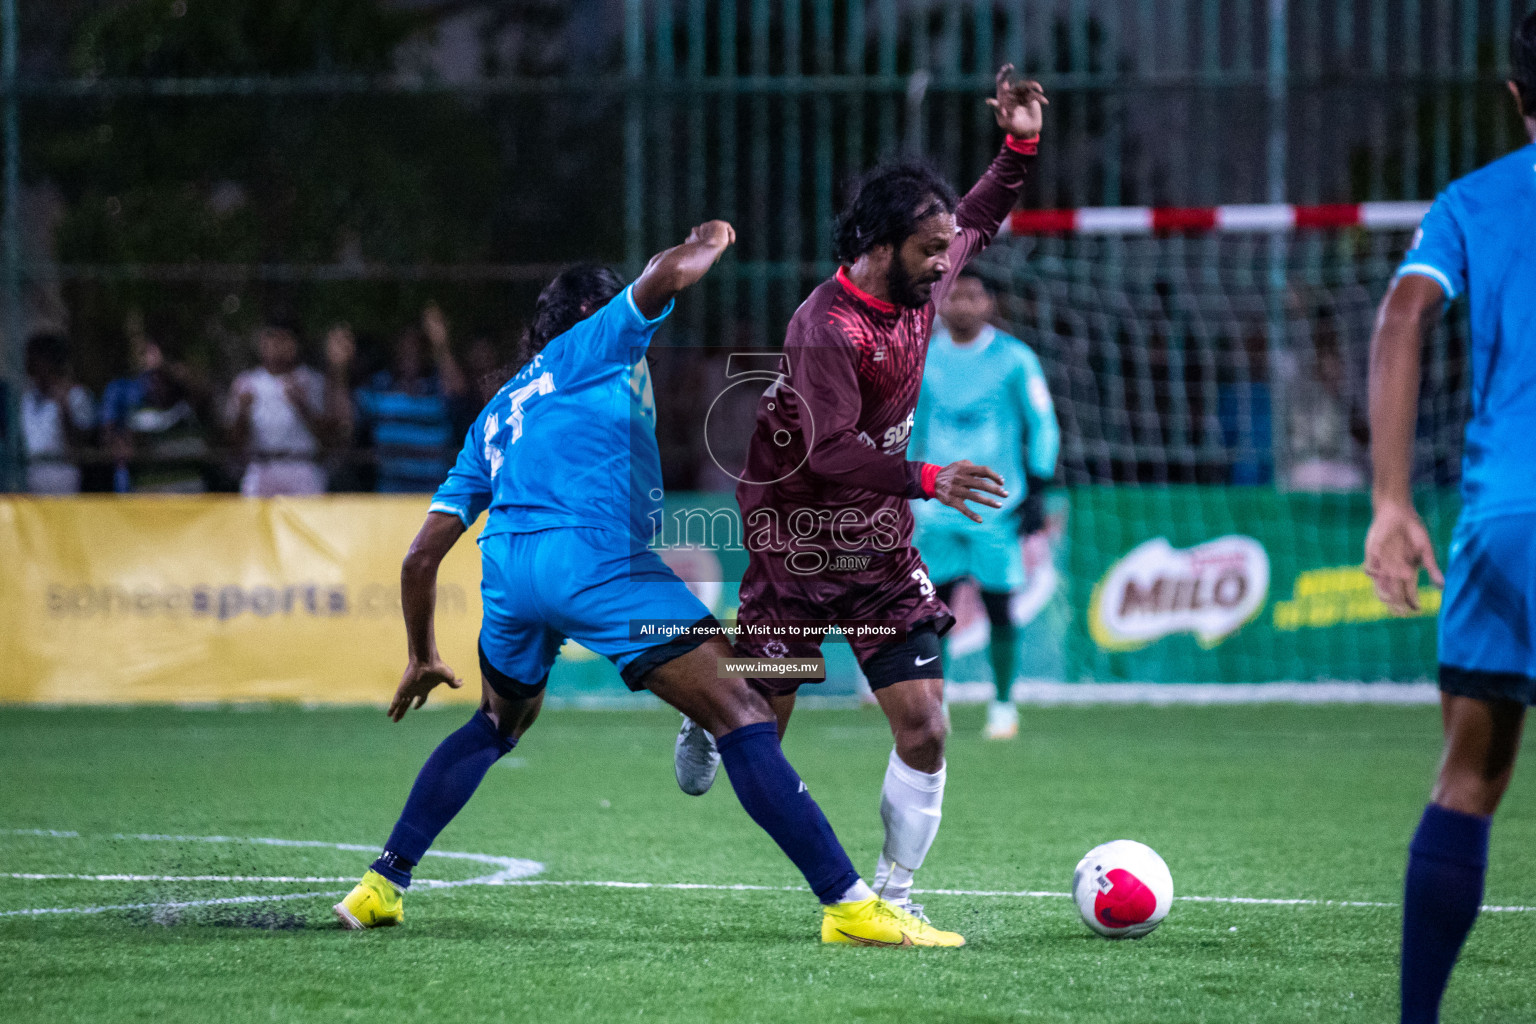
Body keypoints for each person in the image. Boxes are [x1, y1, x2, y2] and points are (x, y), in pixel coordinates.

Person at [333, 221, 963, 947]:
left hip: (508, 569)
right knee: (746, 712)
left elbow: (420, 556)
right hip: (594, 563)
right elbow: (663, 276)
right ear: (586, 315)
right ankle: (851, 905)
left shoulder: (495, 413)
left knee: (495, 724)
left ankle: (381, 883)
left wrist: (421, 652)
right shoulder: (593, 343)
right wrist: (711, 241)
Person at [674, 66, 1046, 920]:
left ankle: (897, 896)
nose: (944, 263)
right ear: (879, 246)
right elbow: (832, 450)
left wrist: (1020, 142)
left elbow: (983, 212)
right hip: (797, 536)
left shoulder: (925, 278)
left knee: (926, 725)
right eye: (928, 250)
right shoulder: (823, 329)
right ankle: (708, 705)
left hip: (877, 542)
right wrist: (928, 477)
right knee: (760, 730)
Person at [1363, 14, 1536, 1022]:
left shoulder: (1472, 199)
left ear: (1517, 97)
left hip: (1508, 516)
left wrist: (1391, 498)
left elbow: (1401, 315)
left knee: (1469, 775)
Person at [909, 270, 1059, 740]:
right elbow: (909, 428)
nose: (964, 304)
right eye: (955, 294)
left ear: (990, 303)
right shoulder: (922, 358)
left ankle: (1003, 704)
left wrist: (1037, 487)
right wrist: (904, 487)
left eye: (974, 295)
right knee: (935, 611)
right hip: (936, 506)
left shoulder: (1015, 359)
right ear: (941, 301)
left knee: (999, 607)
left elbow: (1043, 422)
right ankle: (939, 703)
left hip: (998, 503)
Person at [224, 322, 353, 496]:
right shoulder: (246, 383)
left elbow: (331, 437)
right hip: (261, 466)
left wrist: (302, 405)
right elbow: (232, 441)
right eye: (271, 338)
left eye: (284, 339)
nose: (277, 346)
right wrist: (243, 412)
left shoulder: (312, 380)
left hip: (302, 466)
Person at [353, 303, 468, 493]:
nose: (409, 351)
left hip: (434, 492)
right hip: (390, 494)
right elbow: (344, 421)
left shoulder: (437, 384)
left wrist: (440, 343)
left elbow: (458, 392)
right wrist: (338, 370)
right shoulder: (380, 386)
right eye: (404, 345)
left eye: (417, 346)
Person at [100, 332, 213, 493]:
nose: (156, 383)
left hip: (191, 503)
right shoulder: (137, 415)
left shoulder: (190, 408)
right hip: (149, 502)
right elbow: (116, 444)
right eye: (151, 377)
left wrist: (168, 367)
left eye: (163, 377)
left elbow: (203, 394)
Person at [21, 332, 96, 495]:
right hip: (32, 476)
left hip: (63, 476)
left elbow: (83, 439)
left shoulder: (75, 395)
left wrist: (64, 407)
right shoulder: (27, 400)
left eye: (37, 359)